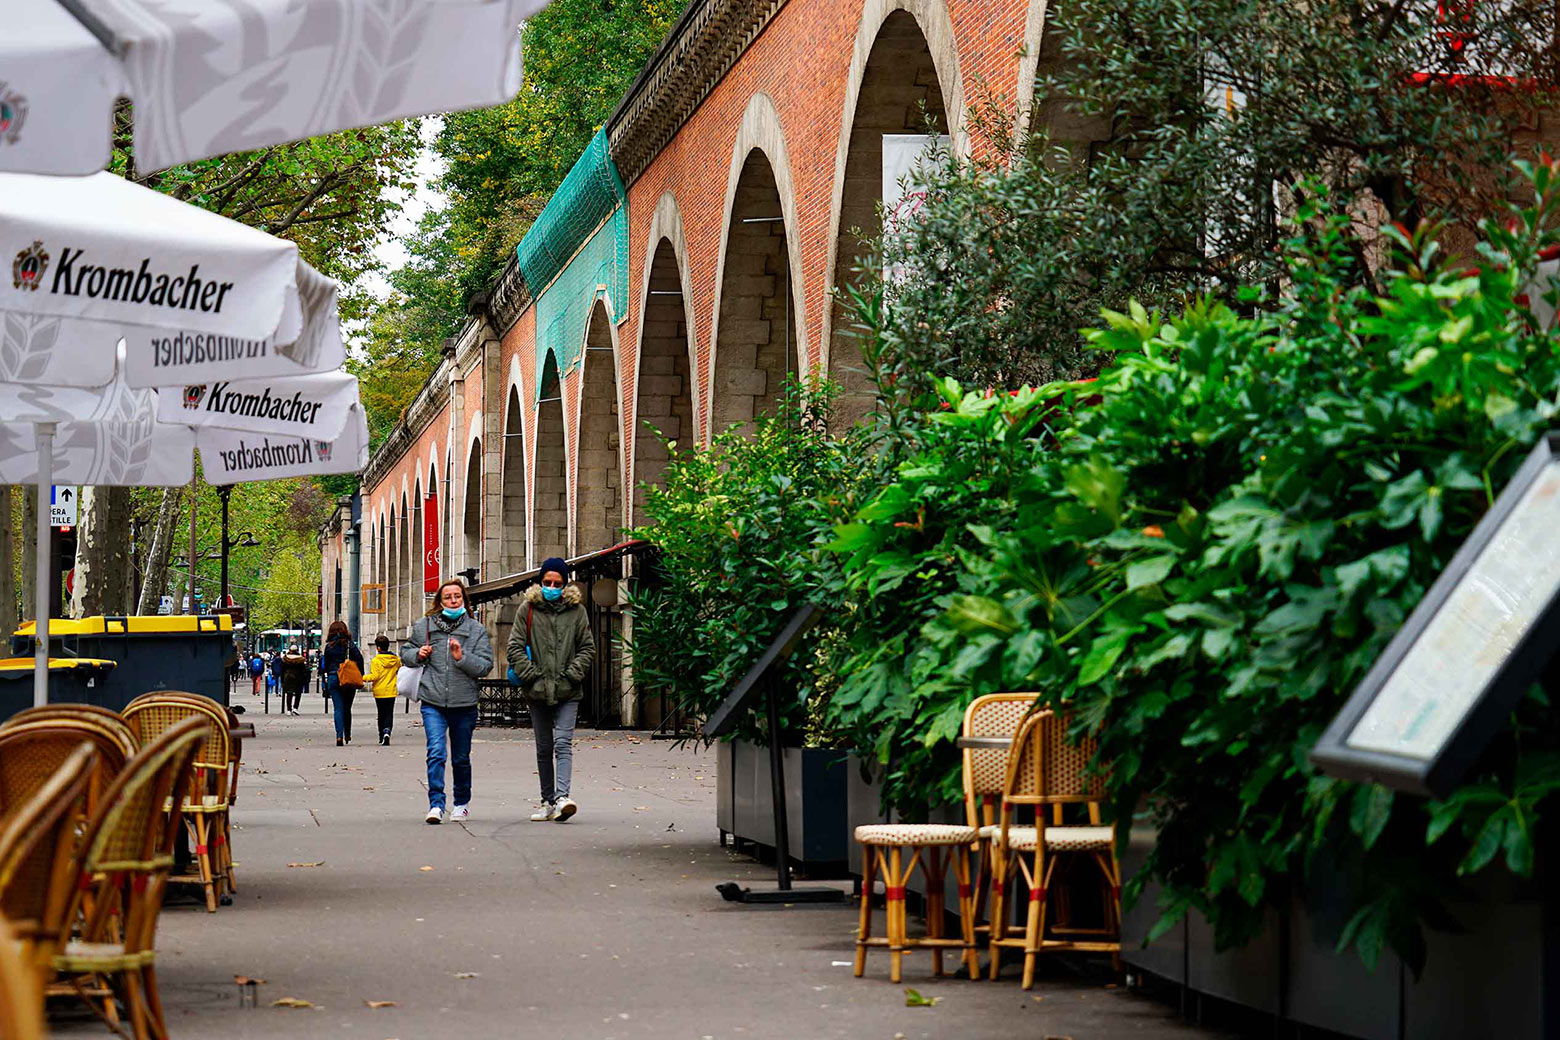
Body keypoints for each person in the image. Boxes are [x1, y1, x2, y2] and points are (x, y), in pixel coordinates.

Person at [507, 557, 594, 823]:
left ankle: (563, 797)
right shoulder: (528, 609)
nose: (552, 586)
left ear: (565, 584)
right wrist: (532, 676)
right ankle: (547, 800)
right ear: (540, 582)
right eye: (548, 582)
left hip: (568, 690)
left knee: (563, 743)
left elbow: (587, 648)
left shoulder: (577, 611)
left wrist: (571, 675)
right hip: (537, 690)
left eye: (557, 582)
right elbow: (514, 647)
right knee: (544, 747)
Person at [401, 580, 493, 824]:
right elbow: (406, 654)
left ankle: (461, 803)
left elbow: (485, 666)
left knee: (461, 757)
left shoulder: (476, 630)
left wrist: (462, 658)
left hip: (464, 704)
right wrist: (417, 654)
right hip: (433, 701)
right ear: (440, 602)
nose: (453, 601)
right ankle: (436, 804)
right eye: (448, 597)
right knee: (436, 752)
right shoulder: (425, 627)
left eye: (457, 597)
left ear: (464, 600)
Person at [320, 621, 365, 746]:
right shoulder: (350, 645)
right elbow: (359, 659)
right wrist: (360, 675)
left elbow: (326, 664)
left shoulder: (329, 646)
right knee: (347, 708)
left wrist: (328, 675)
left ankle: (339, 735)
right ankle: (347, 734)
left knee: (338, 708)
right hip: (348, 678)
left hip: (334, 677)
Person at [364, 635, 401, 745]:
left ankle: (381, 735)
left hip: (379, 691)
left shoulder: (376, 660)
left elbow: (375, 676)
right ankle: (387, 731)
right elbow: (399, 670)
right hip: (391, 690)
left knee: (381, 713)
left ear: (378, 648)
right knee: (389, 713)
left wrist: (363, 678)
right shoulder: (396, 660)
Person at [280, 642, 309, 716]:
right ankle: (295, 707)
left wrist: (282, 679)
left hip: (288, 677)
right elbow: (304, 670)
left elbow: (282, 670)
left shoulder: (285, 659)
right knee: (298, 693)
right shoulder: (300, 659)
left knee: (289, 694)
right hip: (298, 677)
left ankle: (289, 709)